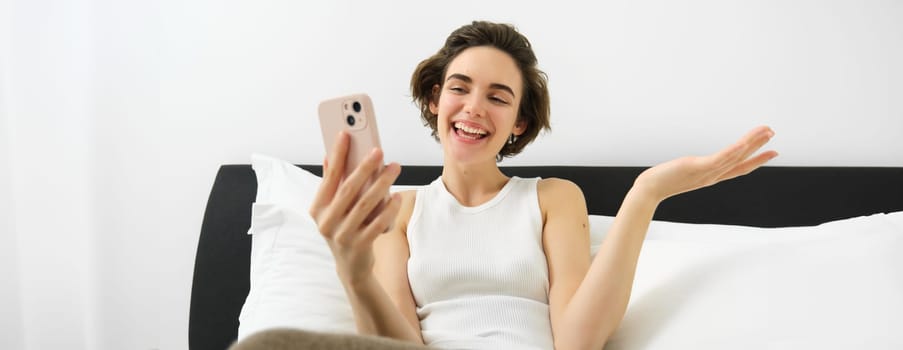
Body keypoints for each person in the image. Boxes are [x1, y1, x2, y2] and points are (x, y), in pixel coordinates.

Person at [235, 21, 777, 350]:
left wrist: (646, 195)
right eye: (459, 88)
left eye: (497, 96)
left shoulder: (553, 199)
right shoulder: (398, 210)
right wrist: (354, 277)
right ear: (434, 99)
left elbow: (576, 342)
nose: (473, 107)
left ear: (518, 122)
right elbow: (393, 345)